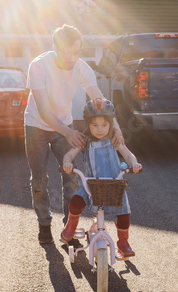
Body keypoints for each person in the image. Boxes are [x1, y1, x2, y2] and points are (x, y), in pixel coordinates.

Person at [25, 24, 124, 244]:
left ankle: (69, 227)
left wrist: (115, 126)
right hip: (36, 126)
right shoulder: (39, 66)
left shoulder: (81, 67)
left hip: (65, 126)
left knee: (71, 176)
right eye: (66, 53)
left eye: (76, 52)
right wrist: (68, 132)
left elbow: (100, 100)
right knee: (40, 180)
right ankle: (44, 224)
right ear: (54, 48)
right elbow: (42, 109)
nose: (72, 58)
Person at [61, 98, 142, 258]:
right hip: (90, 183)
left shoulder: (114, 139)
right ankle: (71, 226)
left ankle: (122, 241)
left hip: (114, 183)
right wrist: (67, 163)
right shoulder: (84, 141)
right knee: (75, 202)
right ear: (88, 124)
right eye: (95, 125)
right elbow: (69, 155)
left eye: (104, 125)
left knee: (124, 213)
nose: (100, 130)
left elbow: (127, 154)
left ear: (111, 124)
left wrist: (134, 163)